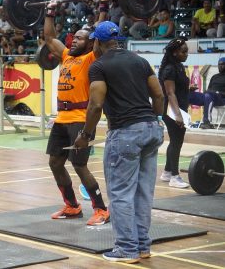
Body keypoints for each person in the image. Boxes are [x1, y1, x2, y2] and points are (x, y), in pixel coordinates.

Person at [74, 21, 164, 263]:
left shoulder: (99, 66)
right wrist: (157, 119)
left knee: (121, 194)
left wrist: (86, 135)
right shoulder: (140, 61)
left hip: (125, 134)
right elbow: (158, 94)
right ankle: (143, 247)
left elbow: (95, 104)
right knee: (143, 193)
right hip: (151, 131)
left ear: (99, 43)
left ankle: (126, 248)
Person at [43, 0, 110, 226]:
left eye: (80, 38)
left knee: (79, 165)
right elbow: (50, 38)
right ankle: (72, 206)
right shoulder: (66, 56)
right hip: (61, 119)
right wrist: (50, 11)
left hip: (80, 119)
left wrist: (103, 7)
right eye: (74, 37)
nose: (73, 41)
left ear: (91, 43)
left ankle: (101, 209)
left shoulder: (91, 58)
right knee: (55, 163)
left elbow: (100, 36)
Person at [158, 37, 191, 188]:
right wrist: (177, 114)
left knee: (175, 141)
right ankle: (175, 177)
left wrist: (189, 89)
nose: (186, 54)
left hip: (179, 108)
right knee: (176, 142)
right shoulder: (169, 69)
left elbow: (177, 89)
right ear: (175, 52)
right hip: (172, 110)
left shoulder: (178, 66)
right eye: (183, 51)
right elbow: (170, 93)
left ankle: (166, 172)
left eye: (187, 51)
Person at [190, 57, 225, 129]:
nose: (220, 66)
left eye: (222, 64)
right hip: (209, 97)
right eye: (219, 64)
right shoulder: (214, 77)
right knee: (189, 94)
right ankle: (181, 120)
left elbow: (211, 92)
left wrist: (217, 93)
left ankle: (207, 122)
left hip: (221, 99)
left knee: (209, 95)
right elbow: (209, 89)